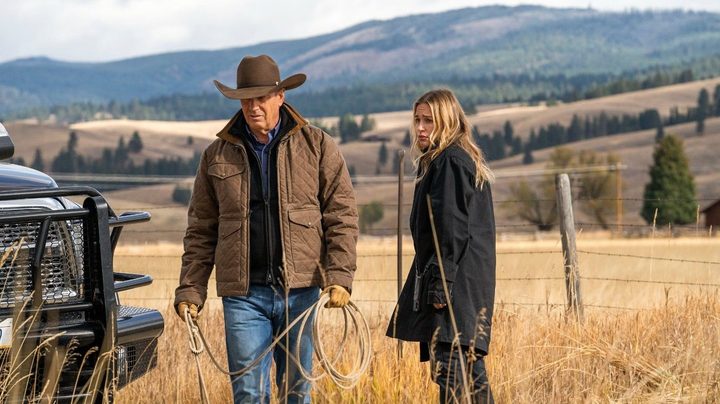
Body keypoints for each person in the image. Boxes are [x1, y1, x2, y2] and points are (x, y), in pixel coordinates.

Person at [174, 54, 358, 404]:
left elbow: (342, 215)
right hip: (244, 297)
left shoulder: (317, 146)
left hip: (301, 291)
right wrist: (190, 290)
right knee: (248, 393)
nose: (253, 106)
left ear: (280, 97)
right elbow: (201, 229)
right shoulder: (216, 156)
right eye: (246, 99)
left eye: (261, 98)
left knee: (297, 390)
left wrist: (339, 275)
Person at [387, 89, 496, 403]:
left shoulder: (449, 162)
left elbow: (448, 232)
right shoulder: (450, 160)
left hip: (453, 293)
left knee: (453, 374)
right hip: (463, 291)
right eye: (417, 120)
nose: (420, 128)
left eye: (429, 121)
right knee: (469, 380)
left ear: (447, 122)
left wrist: (439, 287)